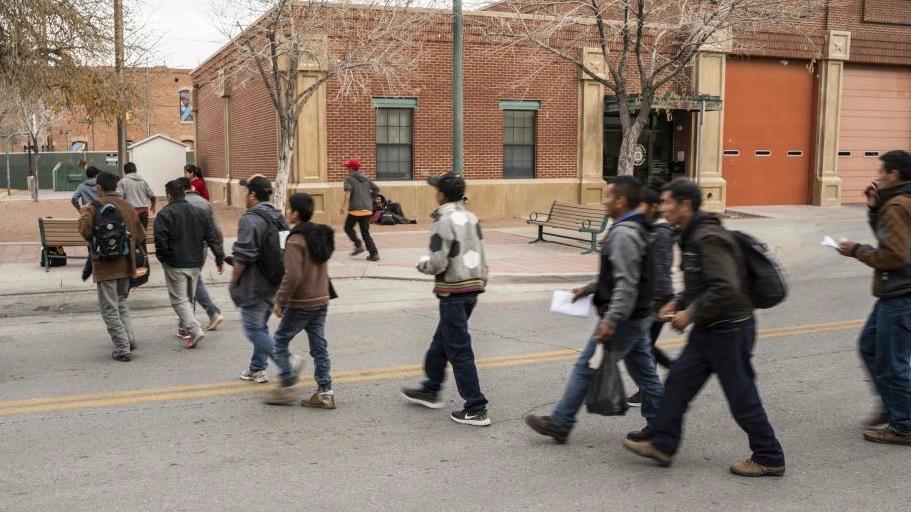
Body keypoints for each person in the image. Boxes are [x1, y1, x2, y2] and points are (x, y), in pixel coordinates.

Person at [624, 178, 786, 478]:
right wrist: (678, 300)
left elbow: (725, 287)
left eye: (668, 202)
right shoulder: (690, 235)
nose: (663, 208)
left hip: (729, 330)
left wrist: (691, 313)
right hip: (710, 330)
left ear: (685, 206)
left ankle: (769, 456)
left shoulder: (707, 237)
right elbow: (701, 283)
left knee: (742, 397)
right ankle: (663, 445)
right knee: (677, 384)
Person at [525, 176, 664, 443]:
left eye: (608, 196)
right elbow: (620, 274)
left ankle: (560, 423)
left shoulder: (624, 233)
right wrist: (589, 289)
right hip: (637, 316)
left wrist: (610, 320)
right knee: (645, 374)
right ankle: (663, 425)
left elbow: (626, 283)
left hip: (624, 319)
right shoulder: (634, 227)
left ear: (621, 201)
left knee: (586, 366)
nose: (604, 201)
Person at [400, 173, 491, 427]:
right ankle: (431, 388)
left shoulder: (443, 220)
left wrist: (423, 265)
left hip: (453, 290)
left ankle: (476, 407)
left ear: (441, 194)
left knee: (459, 349)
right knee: (442, 341)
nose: (434, 193)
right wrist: (482, 280)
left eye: (436, 189)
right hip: (472, 287)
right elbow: (481, 254)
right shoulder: (471, 218)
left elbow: (438, 261)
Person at [837, 150, 911, 446]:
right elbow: (892, 238)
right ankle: (893, 405)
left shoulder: (897, 205)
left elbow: (893, 255)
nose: (878, 176)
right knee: (869, 346)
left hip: (900, 294)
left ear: (894, 175)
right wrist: (873, 207)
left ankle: (904, 425)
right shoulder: (898, 202)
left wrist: (856, 250)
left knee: (893, 362)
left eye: (882, 172)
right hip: (897, 294)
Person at [263, 193, 336, 408]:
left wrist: (280, 301)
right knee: (319, 347)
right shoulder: (320, 234)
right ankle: (325, 392)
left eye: (289, 209)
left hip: (302, 303)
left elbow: (292, 275)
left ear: (295, 212)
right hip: (321, 299)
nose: (287, 212)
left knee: (278, 342)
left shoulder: (295, 239)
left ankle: (285, 386)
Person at [77, 172, 145, 362]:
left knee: (109, 309)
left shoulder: (92, 208)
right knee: (121, 302)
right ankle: (129, 339)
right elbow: (140, 236)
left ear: (99, 188)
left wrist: (83, 213)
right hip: (126, 265)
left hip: (105, 267)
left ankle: (122, 347)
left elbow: (84, 232)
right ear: (116, 187)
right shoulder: (128, 207)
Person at [230, 176, 289, 384]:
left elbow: (245, 255)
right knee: (260, 327)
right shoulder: (278, 216)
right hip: (275, 280)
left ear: (253, 195)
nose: (245, 196)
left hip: (255, 284)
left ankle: (287, 362)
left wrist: (234, 281)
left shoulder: (250, 218)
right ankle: (257, 368)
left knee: (254, 329)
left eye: (247, 192)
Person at [154, 179, 225, 349]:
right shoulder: (199, 212)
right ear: (184, 193)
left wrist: (164, 258)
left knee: (179, 300)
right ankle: (186, 329)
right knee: (188, 298)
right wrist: (219, 257)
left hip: (175, 263)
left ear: (168, 195)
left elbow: (160, 239)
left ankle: (194, 330)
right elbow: (211, 236)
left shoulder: (165, 214)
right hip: (195, 261)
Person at [627, 179, 675, 407]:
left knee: (641, 346)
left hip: (657, 300)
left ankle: (656, 386)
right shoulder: (651, 230)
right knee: (642, 346)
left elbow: (662, 270)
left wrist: (658, 305)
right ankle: (652, 387)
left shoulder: (661, 233)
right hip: (651, 299)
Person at [178, 177, 225, 332]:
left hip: (184, 249)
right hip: (202, 248)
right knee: (193, 280)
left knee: (191, 283)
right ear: (191, 187)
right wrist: (219, 255)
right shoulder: (205, 203)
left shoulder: (180, 204)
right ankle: (189, 321)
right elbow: (216, 230)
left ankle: (206, 315)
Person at [341, 159, 380, 261]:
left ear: (350, 168)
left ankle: (358, 245)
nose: (347, 169)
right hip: (367, 209)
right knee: (365, 232)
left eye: (347, 167)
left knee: (348, 228)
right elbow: (376, 189)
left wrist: (343, 206)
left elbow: (348, 193)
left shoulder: (349, 179)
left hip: (355, 209)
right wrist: (370, 198)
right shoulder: (365, 178)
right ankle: (374, 253)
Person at [116, 161, 157, 228]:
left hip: (130, 212)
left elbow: (119, 199)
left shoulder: (122, 182)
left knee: (131, 235)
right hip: (144, 212)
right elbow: (152, 196)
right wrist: (153, 206)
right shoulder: (143, 182)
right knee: (143, 234)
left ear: (125, 171)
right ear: (135, 170)